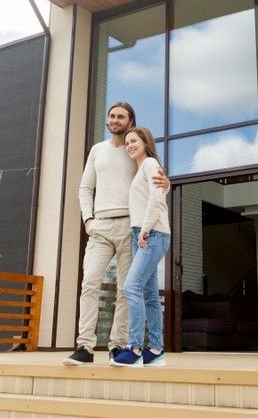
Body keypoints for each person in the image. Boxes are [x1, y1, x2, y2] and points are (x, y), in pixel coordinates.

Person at [64, 103, 168, 366]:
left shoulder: (135, 150)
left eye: (120, 116)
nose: (115, 120)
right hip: (99, 227)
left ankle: (117, 345)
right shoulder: (97, 150)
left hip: (129, 227)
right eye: (111, 115)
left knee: (125, 289)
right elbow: (85, 188)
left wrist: (167, 182)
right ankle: (84, 347)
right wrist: (88, 219)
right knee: (89, 283)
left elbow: (154, 179)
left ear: (130, 120)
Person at [111, 126, 171, 367]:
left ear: (145, 142)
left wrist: (144, 229)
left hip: (151, 233)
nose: (129, 145)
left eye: (134, 141)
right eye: (127, 143)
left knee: (131, 287)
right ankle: (156, 350)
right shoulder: (141, 169)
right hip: (144, 233)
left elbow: (157, 197)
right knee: (149, 295)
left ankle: (134, 349)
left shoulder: (149, 165)